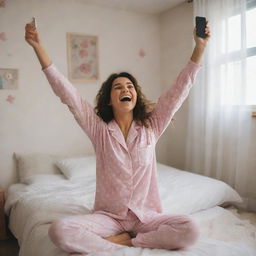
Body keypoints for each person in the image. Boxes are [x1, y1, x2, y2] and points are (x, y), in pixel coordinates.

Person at [25, 19, 210, 255]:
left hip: (146, 216)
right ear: (110, 99)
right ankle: (120, 240)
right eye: (118, 87)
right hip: (109, 218)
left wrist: (200, 47)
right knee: (59, 231)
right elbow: (68, 94)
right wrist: (38, 47)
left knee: (191, 229)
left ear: (135, 95)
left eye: (130, 86)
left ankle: (127, 242)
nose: (125, 90)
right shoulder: (99, 131)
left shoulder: (151, 127)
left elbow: (178, 92)